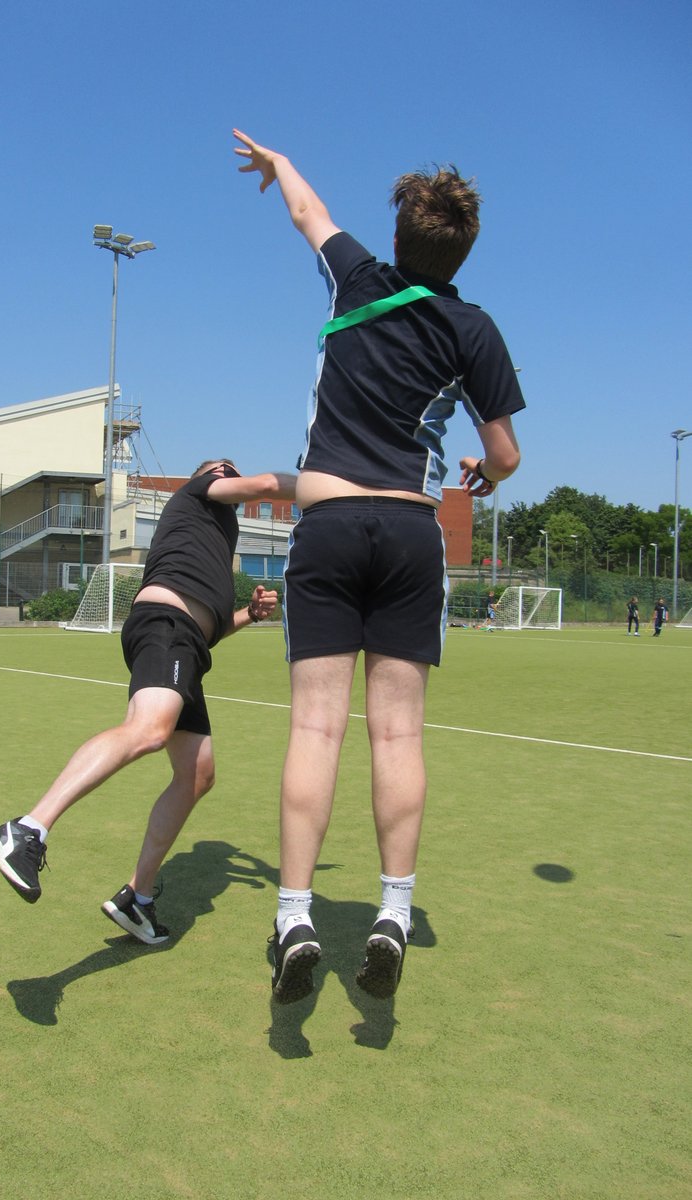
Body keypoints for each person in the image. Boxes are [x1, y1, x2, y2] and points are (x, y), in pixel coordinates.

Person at [234, 129, 525, 1003]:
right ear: (464, 249)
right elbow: (506, 452)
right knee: (396, 734)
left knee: (315, 730)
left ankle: (294, 916)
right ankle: (393, 911)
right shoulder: (475, 329)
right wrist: (483, 471)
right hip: (409, 532)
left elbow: (308, 211)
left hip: (325, 527)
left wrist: (280, 163)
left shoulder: (357, 278)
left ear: (397, 239)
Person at [0, 459, 297, 943]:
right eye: (222, 468)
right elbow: (269, 484)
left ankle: (138, 897)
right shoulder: (203, 490)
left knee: (197, 774)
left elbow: (205, 631)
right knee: (149, 730)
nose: (228, 471)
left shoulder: (212, 537)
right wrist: (331, 489)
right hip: (165, 628)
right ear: (209, 477)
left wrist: (249, 615)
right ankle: (27, 828)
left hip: (185, 641)